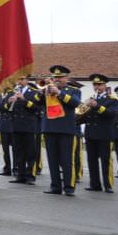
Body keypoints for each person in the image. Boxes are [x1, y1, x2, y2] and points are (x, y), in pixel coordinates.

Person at [40, 66, 81, 196]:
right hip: (49, 128)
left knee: (66, 160)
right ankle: (55, 186)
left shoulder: (73, 90)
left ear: (66, 78)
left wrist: (59, 93)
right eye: (55, 77)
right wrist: (42, 92)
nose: (57, 79)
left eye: (60, 77)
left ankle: (69, 187)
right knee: (52, 160)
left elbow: (75, 103)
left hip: (65, 129)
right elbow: (35, 103)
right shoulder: (46, 90)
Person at [80, 73, 117, 193]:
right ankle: (94, 184)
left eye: (99, 84)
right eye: (95, 84)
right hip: (90, 134)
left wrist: (97, 106)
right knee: (92, 161)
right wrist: (80, 113)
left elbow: (111, 114)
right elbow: (85, 118)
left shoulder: (112, 100)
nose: (97, 87)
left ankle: (108, 185)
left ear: (105, 85)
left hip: (104, 134)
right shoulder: (91, 98)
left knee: (106, 161)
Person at [6, 77, 42, 185]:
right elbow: (7, 108)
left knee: (30, 152)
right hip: (16, 126)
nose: (19, 81)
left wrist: (24, 100)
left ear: (27, 80)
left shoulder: (34, 92)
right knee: (18, 152)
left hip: (29, 126)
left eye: (22, 79)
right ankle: (20, 175)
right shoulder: (14, 91)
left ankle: (31, 175)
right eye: (19, 79)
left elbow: (38, 108)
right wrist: (9, 102)